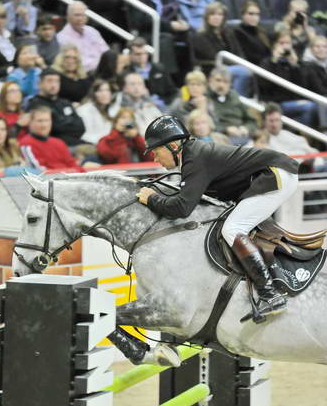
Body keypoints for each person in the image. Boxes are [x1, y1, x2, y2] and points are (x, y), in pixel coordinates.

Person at [136, 115, 299, 319]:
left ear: (173, 145)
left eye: (156, 152)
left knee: (232, 229)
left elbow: (182, 207)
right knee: (234, 224)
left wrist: (151, 199)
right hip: (271, 174)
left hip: (274, 174)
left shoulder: (194, 158)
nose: (155, 159)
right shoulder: (193, 154)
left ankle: (271, 294)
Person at [190, 1, 253, 97]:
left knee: (249, 70)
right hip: (212, 68)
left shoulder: (228, 33)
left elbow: (238, 52)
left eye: (220, 14)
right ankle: (236, 99)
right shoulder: (199, 36)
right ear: (207, 17)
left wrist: (242, 63)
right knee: (243, 72)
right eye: (213, 14)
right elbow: (213, 56)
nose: (216, 17)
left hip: (229, 66)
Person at [259, 31, 318, 127]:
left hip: (294, 101)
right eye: (282, 43)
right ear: (274, 45)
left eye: (288, 43)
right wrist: (274, 62)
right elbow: (264, 86)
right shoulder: (267, 62)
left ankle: (293, 133)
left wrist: (295, 66)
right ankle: (295, 132)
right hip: (276, 103)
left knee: (315, 107)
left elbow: (303, 86)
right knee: (309, 107)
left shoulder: (294, 62)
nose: (285, 46)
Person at [27, 67, 85, 148]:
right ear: (40, 83)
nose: (53, 85)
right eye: (49, 81)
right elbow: (54, 128)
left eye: (56, 81)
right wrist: (70, 122)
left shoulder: (65, 103)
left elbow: (81, 127)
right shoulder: (36, 104)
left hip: (76, 143)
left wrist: (61, 122)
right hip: (53, 146)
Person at [263, 102, 327, 173]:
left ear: (281, 120)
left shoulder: (290, 135)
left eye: (277, 120)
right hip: (295, 172)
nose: (274, 124)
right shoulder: (261, 140)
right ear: (265, 122)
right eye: (271, 121)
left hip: (312, 166)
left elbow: (313, 152)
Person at [19, 106, 84, 170]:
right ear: (30, 122)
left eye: (47, 120)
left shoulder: (59, 142)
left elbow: (72, 164)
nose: (44, 125)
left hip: (68, 177)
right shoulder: (26, 143)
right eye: (40, 121)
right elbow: (38, 170)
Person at [207, 66, 257, 145]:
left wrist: (246, 128)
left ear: (230, 84)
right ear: (210, 80)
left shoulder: (234, 95)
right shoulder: (204, 97)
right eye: (218, 80)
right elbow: (203, 123)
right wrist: (226, 129)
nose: (221, 85)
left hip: (241, 136)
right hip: (218, 137)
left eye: (225, 82)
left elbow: (251, 120)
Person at [57, 0, 109, 75]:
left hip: (100, 70)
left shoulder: (92, 31)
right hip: (82, 73)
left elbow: (105, 52)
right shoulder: (61, 37)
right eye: (76, 15)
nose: (80, 18)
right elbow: (72, 64)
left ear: (86, 17)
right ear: (68, 17)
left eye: (82, 15)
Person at [124, 37, 178, 108]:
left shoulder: (159, 68)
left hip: (162, 106)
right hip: (137, 107)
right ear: (130, 55)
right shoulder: (126, 72)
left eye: (145, 53)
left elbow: (172, 91)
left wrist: (161, 102)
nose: (142, 56)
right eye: (138, 54)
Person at [114, 71, 162, 136]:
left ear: (144, 87)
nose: (136, 87)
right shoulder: (119, 107)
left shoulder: (149, 105)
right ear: (124, 88)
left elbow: (162, 123)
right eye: (132, 84)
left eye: (140, 84)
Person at [76, 78, 117, 145]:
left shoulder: (111, 109)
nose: (104, 94)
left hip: (107, 144)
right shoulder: (85, 110)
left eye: (107, 90)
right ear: (93, 94)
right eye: (100, 91)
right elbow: (86, 135)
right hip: (91, 145)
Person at [233, 0, 271, 67]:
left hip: (268, 66)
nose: (255, 17)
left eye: (257, 14)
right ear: (243, 15)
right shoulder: (238, 32)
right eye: (251, 14)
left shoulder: (261, 31)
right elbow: (250, 57)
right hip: (255, 69)